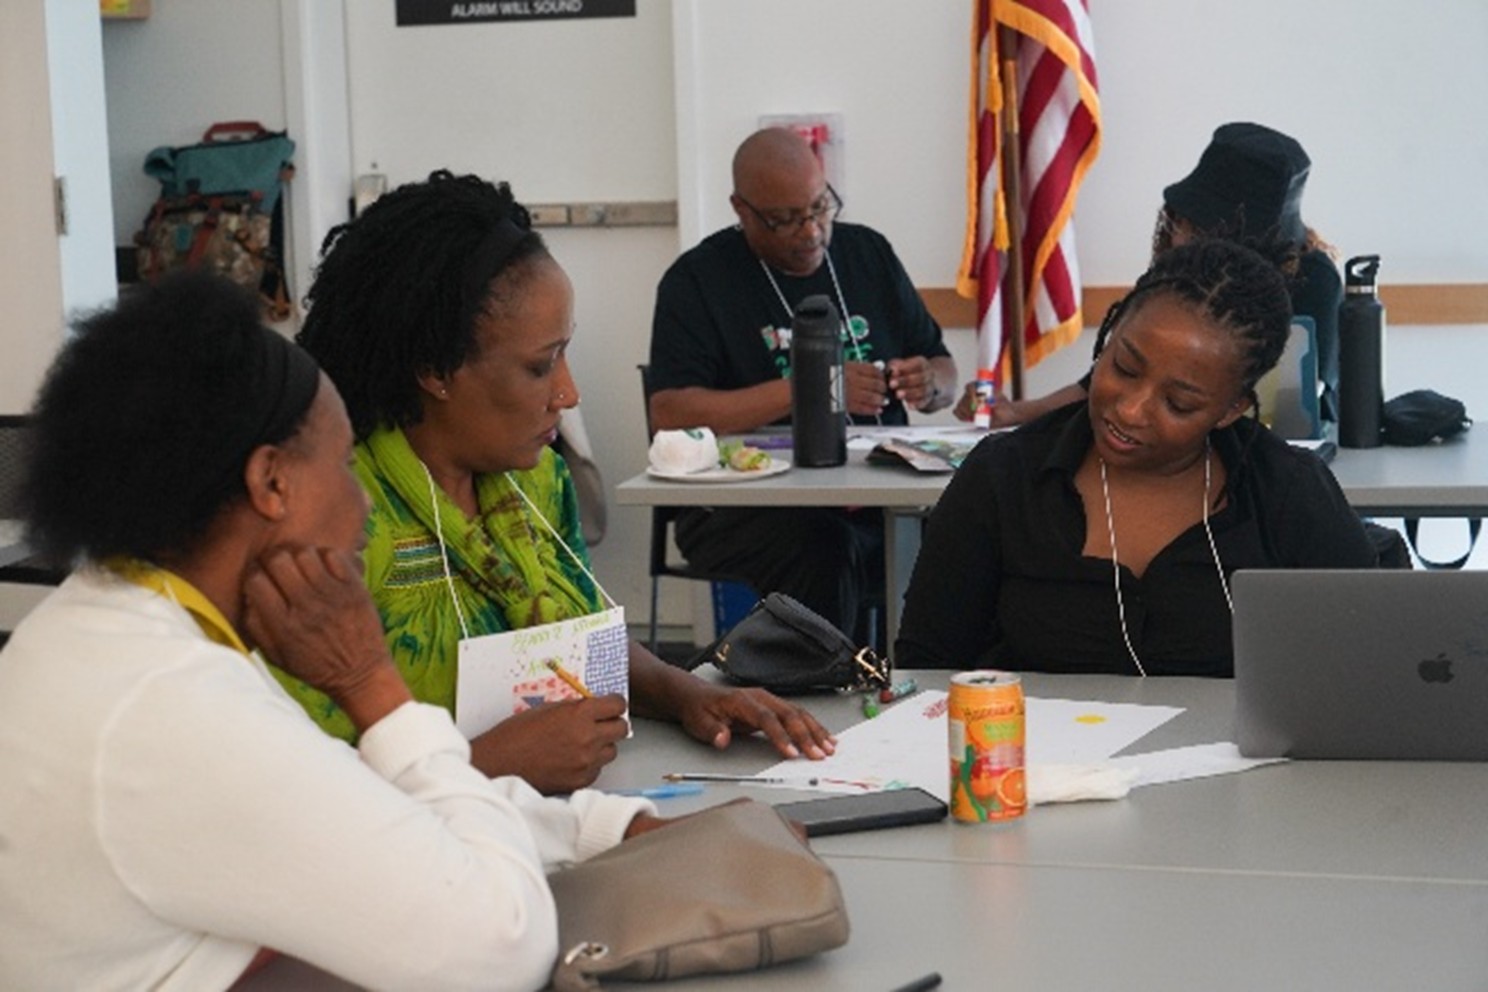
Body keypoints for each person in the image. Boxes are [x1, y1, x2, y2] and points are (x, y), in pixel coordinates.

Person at [0, 272, 669, 991]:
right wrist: (372, 685)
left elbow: (346, 803)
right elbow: (503, 949)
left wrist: (594, 828)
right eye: (345, 465)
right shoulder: (169, 702)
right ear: (272, 483)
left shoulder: (120, 625)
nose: (362, 506)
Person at [292, 170, 834, 797]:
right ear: (435, 369)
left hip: (562, 819)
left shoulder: (539, 482)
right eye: (540, 365)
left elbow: (586, 632)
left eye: (565, 353)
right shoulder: (338, 520)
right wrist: (484, 766)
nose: (568, 393)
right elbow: (288, 784)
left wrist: (688, 693)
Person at [897, 240, 1378, 677]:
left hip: (1235, 750)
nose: (1130, 410)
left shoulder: (1288, 492)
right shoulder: (1004, 476)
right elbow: (928, 667)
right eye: (1123, 367)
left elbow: (1367, 667)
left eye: (1179, 403)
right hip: (1027, 746)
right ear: (1108, 337)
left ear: (1231, 409)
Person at [647, 126, 958, 641]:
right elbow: (670, 412)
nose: (811, 231)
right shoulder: (698, 279)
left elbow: (944, 369)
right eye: (787, 219)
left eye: (819, 208)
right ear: (742, 210)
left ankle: (924, 683)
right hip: (746, 507)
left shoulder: (868, 254)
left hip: (880, 491)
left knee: (967, 532)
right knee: (824, 547)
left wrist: (930, 384)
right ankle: (825, 686)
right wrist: (811, 388)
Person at [958, 122, 1342, 432]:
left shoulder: (1314, 279)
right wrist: (1017, 413)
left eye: (1197, 228)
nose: (1179, 237)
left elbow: (1300, 399)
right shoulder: (1173, 274)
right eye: (1179, 222)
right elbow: (1098, 384)